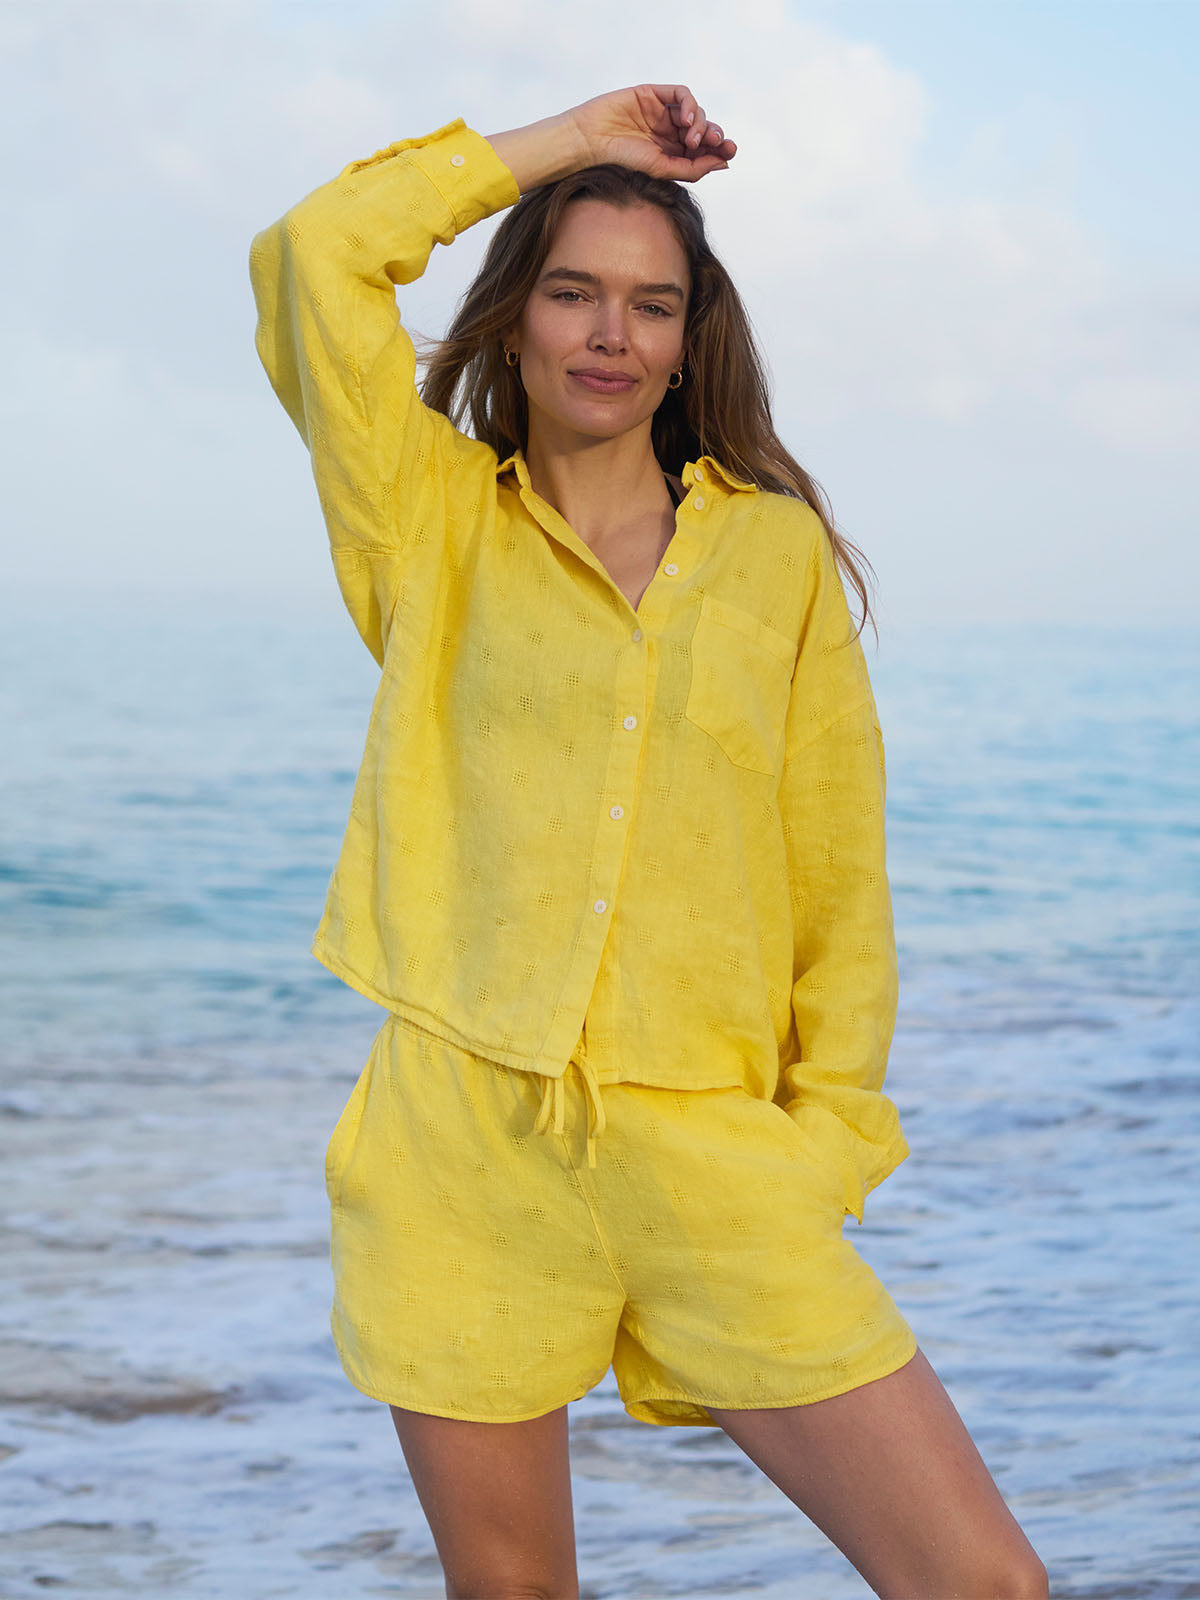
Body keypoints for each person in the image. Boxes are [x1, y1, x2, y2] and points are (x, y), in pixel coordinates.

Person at [250, 83, 1047, 1600]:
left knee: (982, 1584)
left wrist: (822, 1143)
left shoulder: (774, 553)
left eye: (651, 305)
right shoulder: (424, 519)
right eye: (573, 292)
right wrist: (571, 144)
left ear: (691, 341)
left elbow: (837, 868)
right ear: (511, 321)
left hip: (713, 1153)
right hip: (460, 1148)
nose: (610, 334)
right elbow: (314, 255)